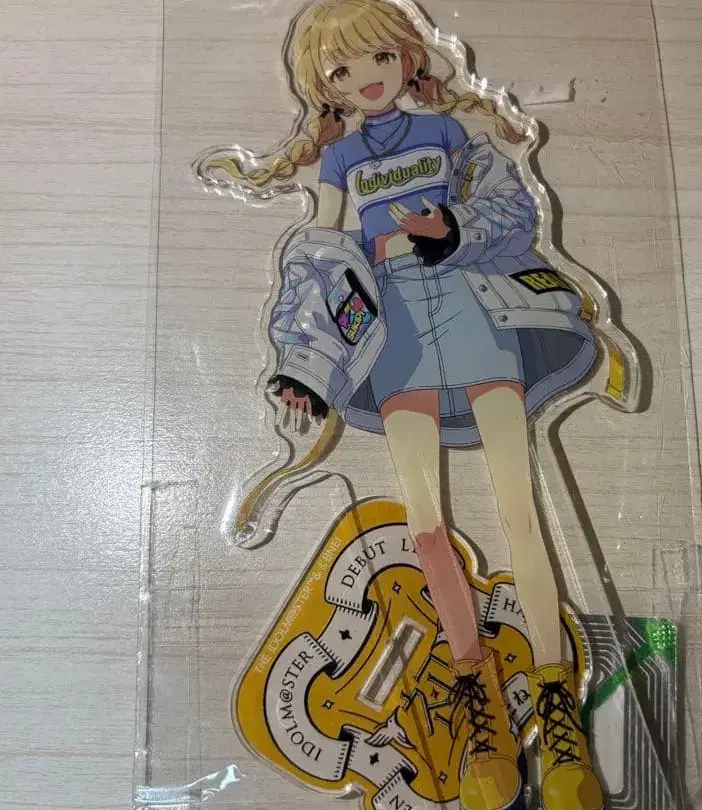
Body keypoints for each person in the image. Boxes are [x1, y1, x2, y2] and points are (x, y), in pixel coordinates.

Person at [204, 2, 604, 809]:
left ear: (408, 57)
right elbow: (318, 261)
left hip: (472, 308)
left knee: (519, 509)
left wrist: (452, 225)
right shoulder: (340, 157)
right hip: (395, 333)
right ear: (325, 85)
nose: (366, 77)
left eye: (379, 57)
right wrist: (305, 366)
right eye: (342, 69)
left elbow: (512, 210)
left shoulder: (450, 133)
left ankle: (556, 700)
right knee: (426, 530)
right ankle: (477, 699)